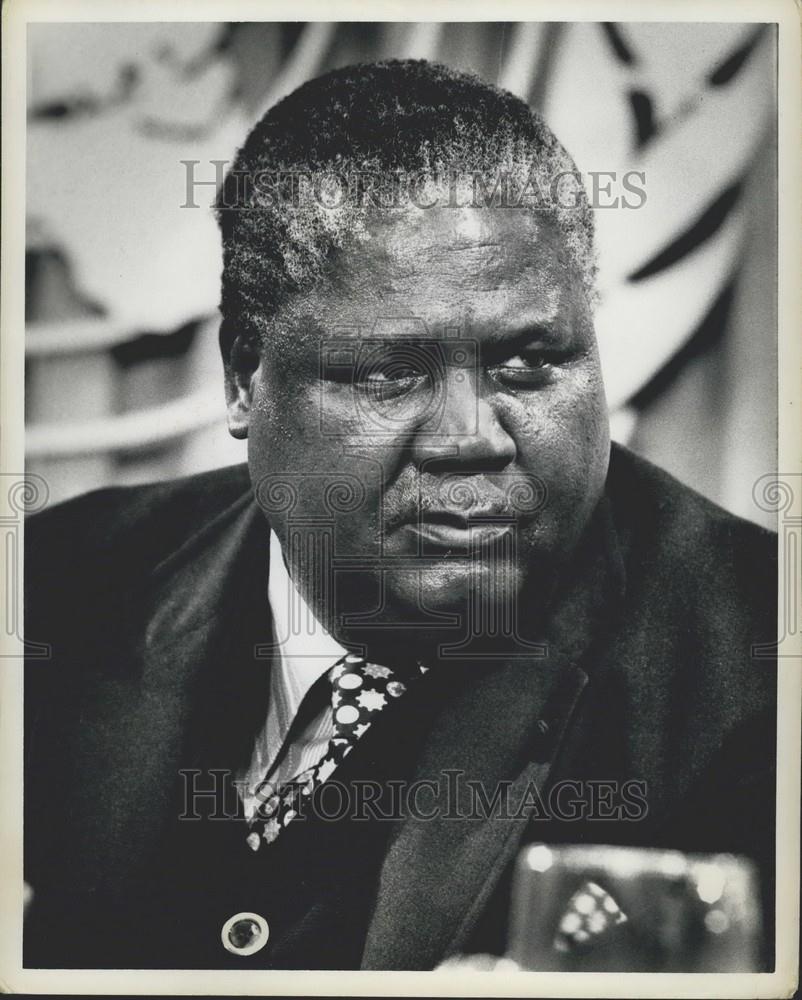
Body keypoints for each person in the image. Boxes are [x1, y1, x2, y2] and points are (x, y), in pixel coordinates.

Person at [23, 59, 776, 970]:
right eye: (387, 372)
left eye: (530, 362)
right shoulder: (51, 595)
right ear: (242, 378)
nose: (471, 440)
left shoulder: (762, 674)